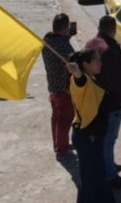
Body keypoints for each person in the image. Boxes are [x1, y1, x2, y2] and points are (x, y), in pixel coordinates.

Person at [85, 16, 121, 190]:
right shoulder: (109, 49)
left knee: (105, 141)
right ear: (113, 28)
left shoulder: (91, 44)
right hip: (111, 104)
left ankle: (109, 166)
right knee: (108, 141)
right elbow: (118, 81)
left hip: (97, 101)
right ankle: (110, 177)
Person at [66, 49, 116, 203]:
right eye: (97, 60)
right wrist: (77, 73)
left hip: (93, 136)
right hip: (87, 136)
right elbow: (79, 83)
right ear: (86, 64)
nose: (100, 63)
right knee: (90, 181)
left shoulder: (91, 78)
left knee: (98, 175)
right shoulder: (82, 80)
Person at [41, 13, 75, 159]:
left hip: (53, 87)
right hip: (63, 89)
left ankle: (59, 143)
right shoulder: (62, 45)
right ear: (64, 28)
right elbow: (72, 62)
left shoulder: (48, 40)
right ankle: (61, 149)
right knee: (65, 119)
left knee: (56, 117)